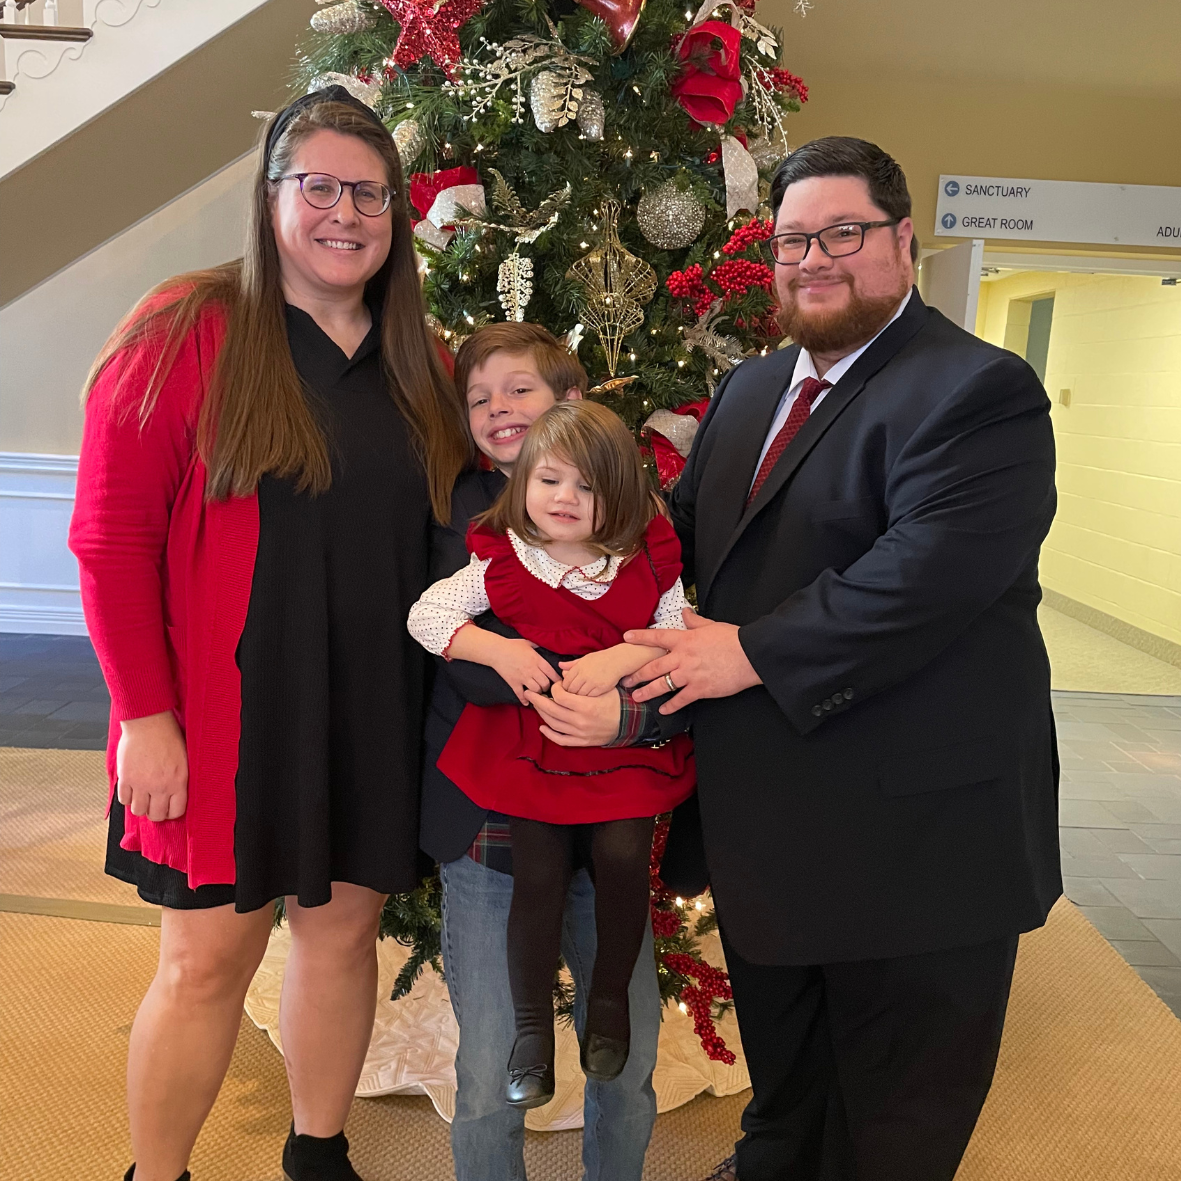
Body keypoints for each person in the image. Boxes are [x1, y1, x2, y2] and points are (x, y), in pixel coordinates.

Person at [624, 136, 1062, 1181]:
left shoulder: (978, 389)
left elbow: (922, 576)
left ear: (902, 240)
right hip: (771, 829)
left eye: (842, 233)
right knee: (787, 1089)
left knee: (894, 1124)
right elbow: (682, 542)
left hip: (918, 841)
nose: (811, 259)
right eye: (791, 240)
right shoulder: (749, 389)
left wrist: (745, 653)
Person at [68, 87, 468, 1181]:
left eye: (370, 194)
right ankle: (158, 1174)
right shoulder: (184, 330)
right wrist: (144, 716)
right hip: (223, 716)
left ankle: (318, 1151)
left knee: (341, 938)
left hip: (369, 703)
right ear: (271, 196)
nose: (347, 213)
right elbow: (108, 541)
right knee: (204, 963)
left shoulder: (420, 358)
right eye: (319, 187)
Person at [419, 322, 685, 1181]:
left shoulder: (638, 527)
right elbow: (444, 649)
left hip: (609, 807)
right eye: (479, 396)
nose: (498, 409)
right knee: (491, 1069)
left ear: (568, 400)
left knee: (626, 1058)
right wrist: (523, 658)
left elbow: (681, 651)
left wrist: (623, 707)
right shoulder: (459, 519)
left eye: (519, 389)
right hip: (492, 824)